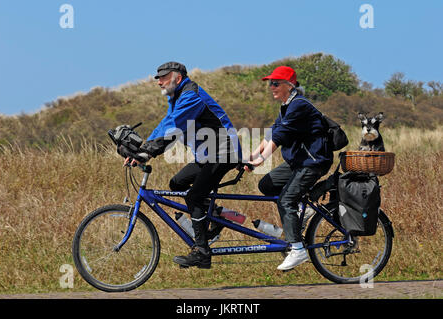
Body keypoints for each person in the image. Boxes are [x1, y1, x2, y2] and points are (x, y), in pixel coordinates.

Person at [122, 62, 241, 269]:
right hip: (208, 155)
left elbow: (175, 128)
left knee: (194, 196)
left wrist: (149, 152)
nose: (159, 82)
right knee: (177, 183)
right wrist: (142, 149)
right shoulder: (177, 97)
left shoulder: (190, 96)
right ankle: (216, 216)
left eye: (163, 77)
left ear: (177, 77)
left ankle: (202, 252)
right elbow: (165, 125)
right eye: (157, 78)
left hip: (224, 153)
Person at [245, 66, 333, 271]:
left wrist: (261, 160)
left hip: (313, 162)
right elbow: (272, 133)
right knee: (267, 184)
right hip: (298, 162)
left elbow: (280, 136)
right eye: (270, 83)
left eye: (275, 83)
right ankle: (303, 210)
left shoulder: (299, 105)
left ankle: (298, 249)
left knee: (286, 199)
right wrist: (251, 156)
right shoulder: (286, 105)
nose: (271, 87)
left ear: (289, 85)